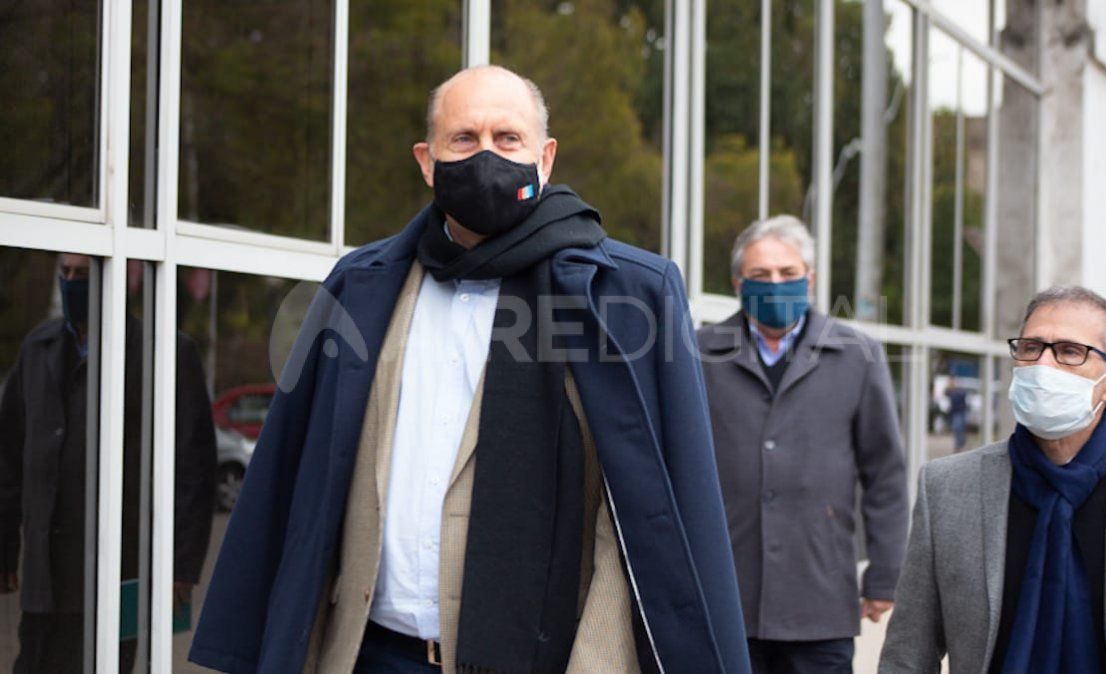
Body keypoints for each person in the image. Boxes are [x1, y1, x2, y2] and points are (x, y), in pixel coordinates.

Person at [188, 65, 750, 674]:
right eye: (464, 139)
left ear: (546, 158)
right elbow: (296, 477)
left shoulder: (626, 295)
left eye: (508, 139)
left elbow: (648, 513)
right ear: (427, 161)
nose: (486, 156)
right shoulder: (360, 287)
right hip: (367, 654)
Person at [880, 285, 1106, 673]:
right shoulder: (946, 487)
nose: (1043, 366)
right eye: (1031, 348)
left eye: (1069, 352)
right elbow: (908, 653)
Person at [696, 216, 909, 674]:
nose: (776, 284)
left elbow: (885, 473)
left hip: (821, 599)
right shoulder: (698, 355)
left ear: (809, 279)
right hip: (726, 594)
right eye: (760, 275)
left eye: (788, 274)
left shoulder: (858, 355)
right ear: (738, 283)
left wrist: (886, 573)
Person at [0, 254, 216, 673]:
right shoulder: (37, 348)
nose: (71, 282)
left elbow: (194, 470)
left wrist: (180, 568)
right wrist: (4, 548)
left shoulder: (165, 353)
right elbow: (8, 457)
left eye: (83, 273)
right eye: (65, 273)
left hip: (120, 570)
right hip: (46, 574)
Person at [945, 376, 970, 452]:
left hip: (960, 412)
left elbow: (963, 397)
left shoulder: (958, 390)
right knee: (957, 429)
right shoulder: (950, 390)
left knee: (959, 428)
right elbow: (946, 394)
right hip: (954, 413)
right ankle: (958, 445)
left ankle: (960, 445)